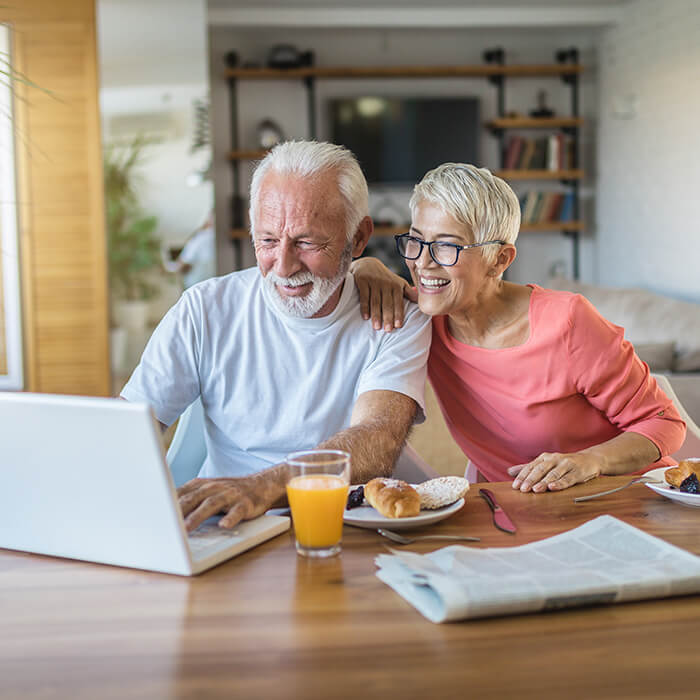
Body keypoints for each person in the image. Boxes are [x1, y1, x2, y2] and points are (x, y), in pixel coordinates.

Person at [121, 141, 431, 530]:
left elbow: (376, 441)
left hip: (341, 526)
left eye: (306, 242)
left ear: (357, 238)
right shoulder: (204, 309)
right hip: (226, 525)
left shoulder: (394, 316)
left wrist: (261, 488)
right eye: (267, 240)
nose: (282, 266)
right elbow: (131, 428)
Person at [352, 163, 685, 493]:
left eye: (446, 246)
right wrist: (364, 266)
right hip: (526, 512)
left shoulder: (567, 322)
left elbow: (665, 424)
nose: (422, 262)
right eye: (416, 240)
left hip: (628, 499)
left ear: (501, 260)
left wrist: (590, 460)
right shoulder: (422, 318)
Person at [162, 211, 216, 288]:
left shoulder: (201, 238)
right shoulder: (208, 236)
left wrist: (171, 268)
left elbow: (183, 266)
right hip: (210, 282)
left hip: (198, 284)